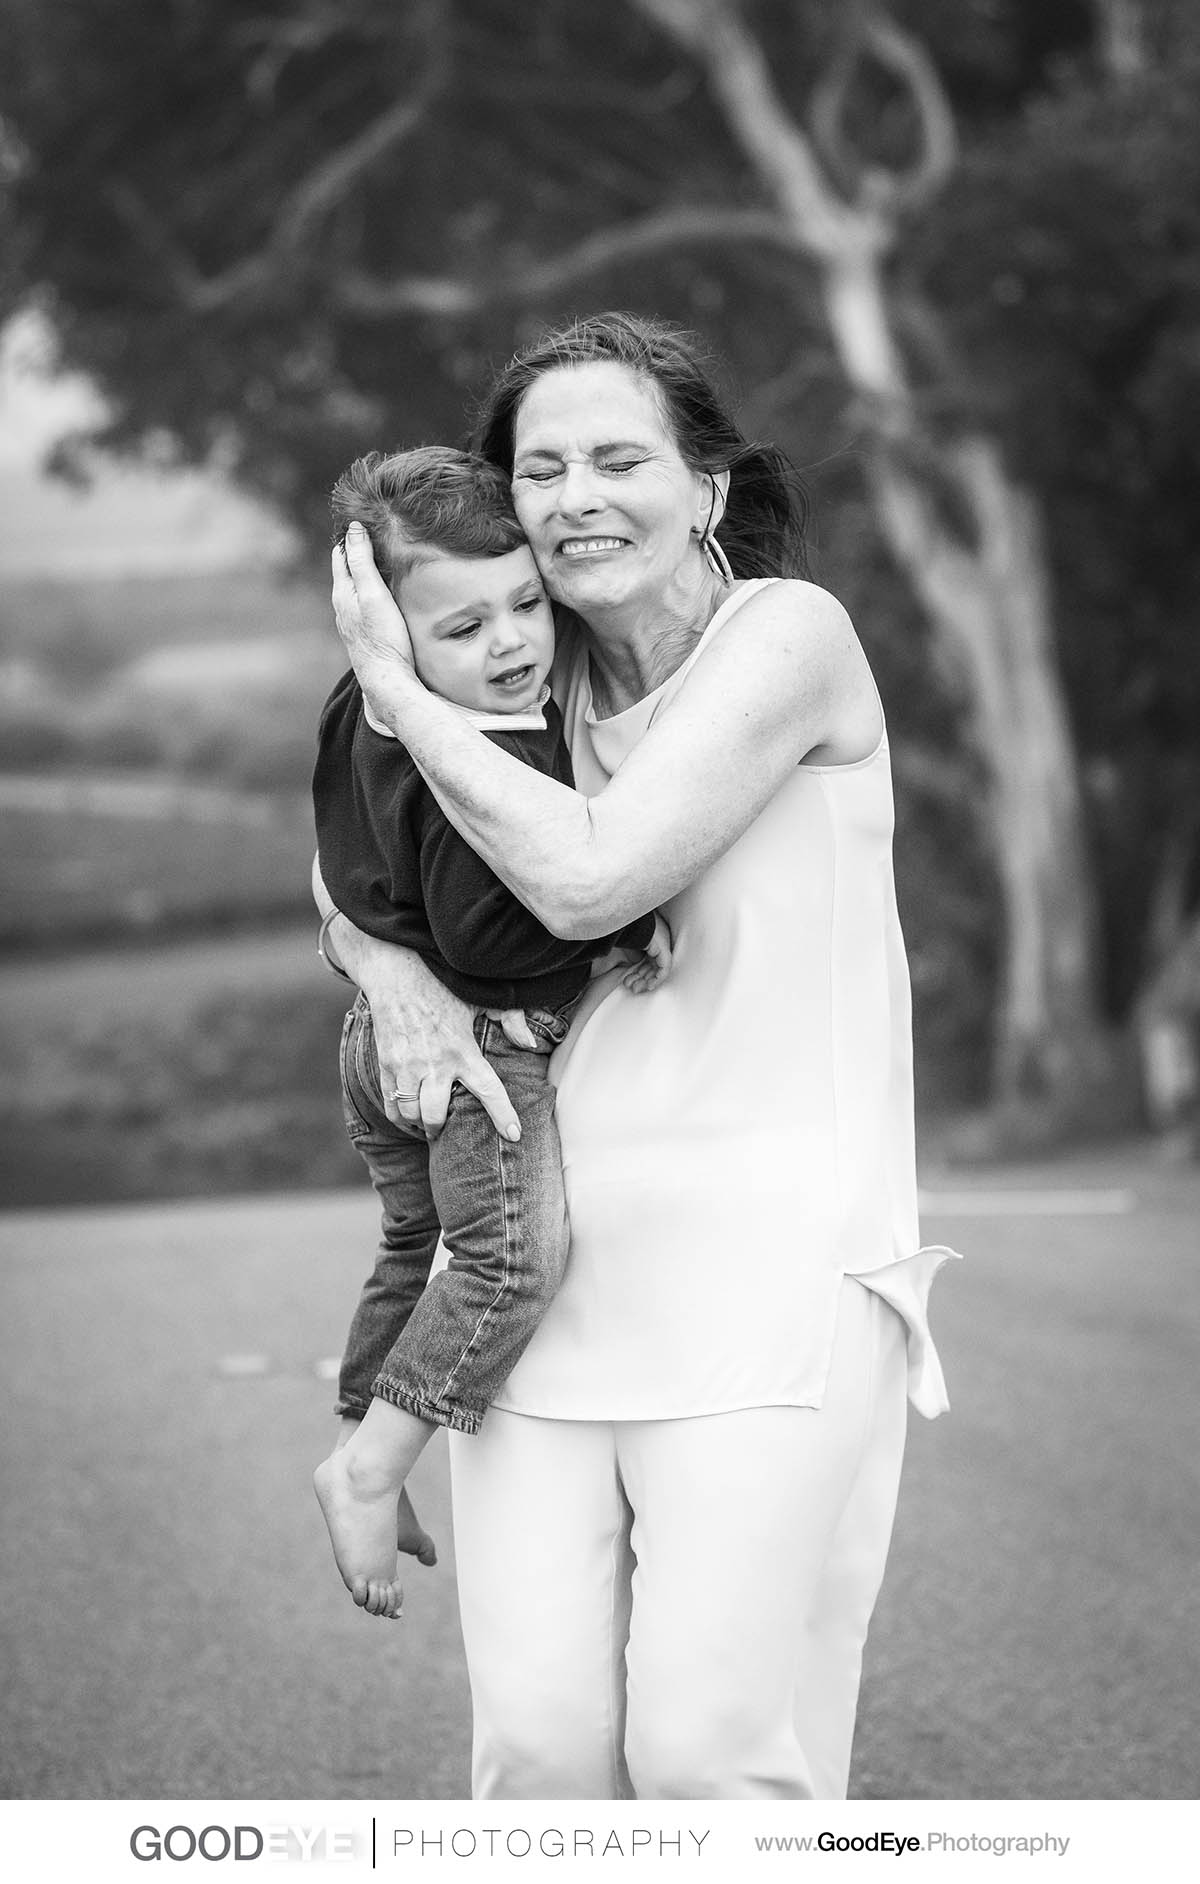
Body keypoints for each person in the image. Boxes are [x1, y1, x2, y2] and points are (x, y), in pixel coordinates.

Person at [315, 310, 960, 1801]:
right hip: (541, 1267)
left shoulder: (786, 640)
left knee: (709, 1756)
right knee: (536, 1757)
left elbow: (593, 880)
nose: (576, 495)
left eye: (619, 458)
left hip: (774, 1278)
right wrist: (392, 971)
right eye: (542, 468)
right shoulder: (506, 673)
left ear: (708, 491)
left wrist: (400, 695)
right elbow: (341, 862)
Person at [312, 445, 670, 1619]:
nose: (513, 644)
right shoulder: (483, 751)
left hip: (373, 1041)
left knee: (415, 1246)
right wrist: (615, 931)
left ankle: (369, 1424)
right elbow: (492, 939)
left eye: (525, 604)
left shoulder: (355, 708)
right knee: (514, 1261)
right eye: (463, 629)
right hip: (483, 1052)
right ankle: (372, 1470)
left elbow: (346, 862)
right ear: (392, 635)